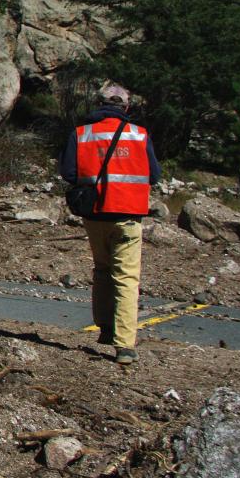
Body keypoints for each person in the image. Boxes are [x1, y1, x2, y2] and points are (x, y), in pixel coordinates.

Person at [59, 82, 161, 364]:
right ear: (126, 107)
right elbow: (154, 174)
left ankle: (105, 328)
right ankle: (125, 345)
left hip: (94, 214)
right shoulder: (139, 135)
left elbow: (68, 172)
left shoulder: (81, 134)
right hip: (127, 216)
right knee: (126, 279)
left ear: (99, 103)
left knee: (102, 269)